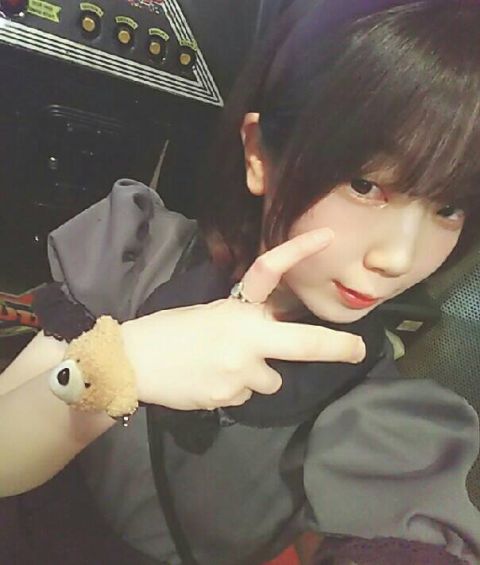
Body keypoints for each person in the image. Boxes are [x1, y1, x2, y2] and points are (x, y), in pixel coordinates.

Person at [2, 0, 480, 563]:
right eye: (364, 184)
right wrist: (118, 363)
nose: (399, 257)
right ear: (259, 156)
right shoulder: (138, 255)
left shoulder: (382, 414)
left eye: (448, 207)